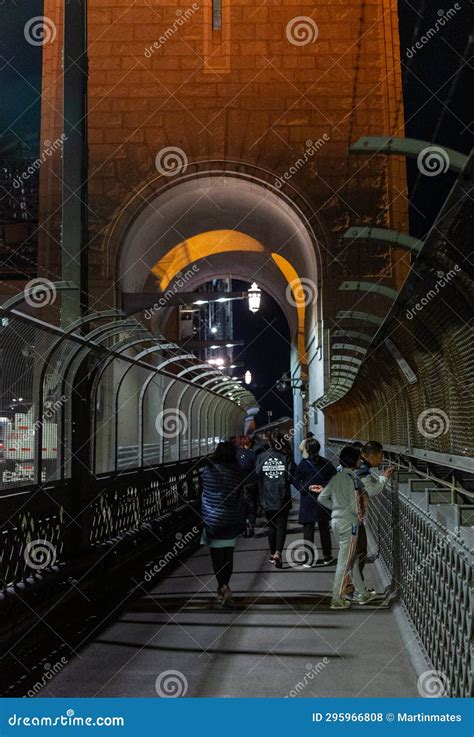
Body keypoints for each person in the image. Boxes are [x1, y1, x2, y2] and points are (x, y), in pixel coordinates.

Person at [318, 445, 394, 609]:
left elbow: (322, 498)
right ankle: (336, 600)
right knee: (345, 562)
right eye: (359, 459)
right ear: (354, 461)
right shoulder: (354, 478)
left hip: (336, 521)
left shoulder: (337, 477)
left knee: (351, 560)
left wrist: (337, 509)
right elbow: (365, 497)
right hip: (349, 524)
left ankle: (362, 593)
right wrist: (355, 516)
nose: (361, 461)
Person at [200, 442, 245, 607]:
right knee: (228, 555)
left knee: (216, 556)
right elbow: (240, 498)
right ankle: (225, 584)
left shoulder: (208, 472)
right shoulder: (236, 473)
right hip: (230, 519)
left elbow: (203, 493)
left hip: (212, 520)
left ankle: (221, 587)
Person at [294, 438, 337, 566]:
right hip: (322, 500)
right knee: (324, 528)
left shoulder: (302, 464)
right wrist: (324, 487)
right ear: (318, 449)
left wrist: (307, 487)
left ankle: (309, 559)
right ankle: (327, 556)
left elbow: (295, 481)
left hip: (308, 500)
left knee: (308, 530)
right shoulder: (326, 463)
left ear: (307, 450)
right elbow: (335, 478)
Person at [256, 431, 295, 569]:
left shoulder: (261, 457)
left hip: (266, 497)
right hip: (282, 496)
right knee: (281, 526)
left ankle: (272, 554)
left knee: (271, 525)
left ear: (269, 442)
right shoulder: (286, 457)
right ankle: (278, 552)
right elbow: (291, 477)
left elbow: (257, 474)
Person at [235, 435, 258, 537]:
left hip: (238, 484)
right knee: (252, 506)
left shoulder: (234, 455)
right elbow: (257, 470)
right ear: (246, 443)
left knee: (240, 506)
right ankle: (251, 525)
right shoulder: (252, 454)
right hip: (251, 483)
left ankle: (242, 527)